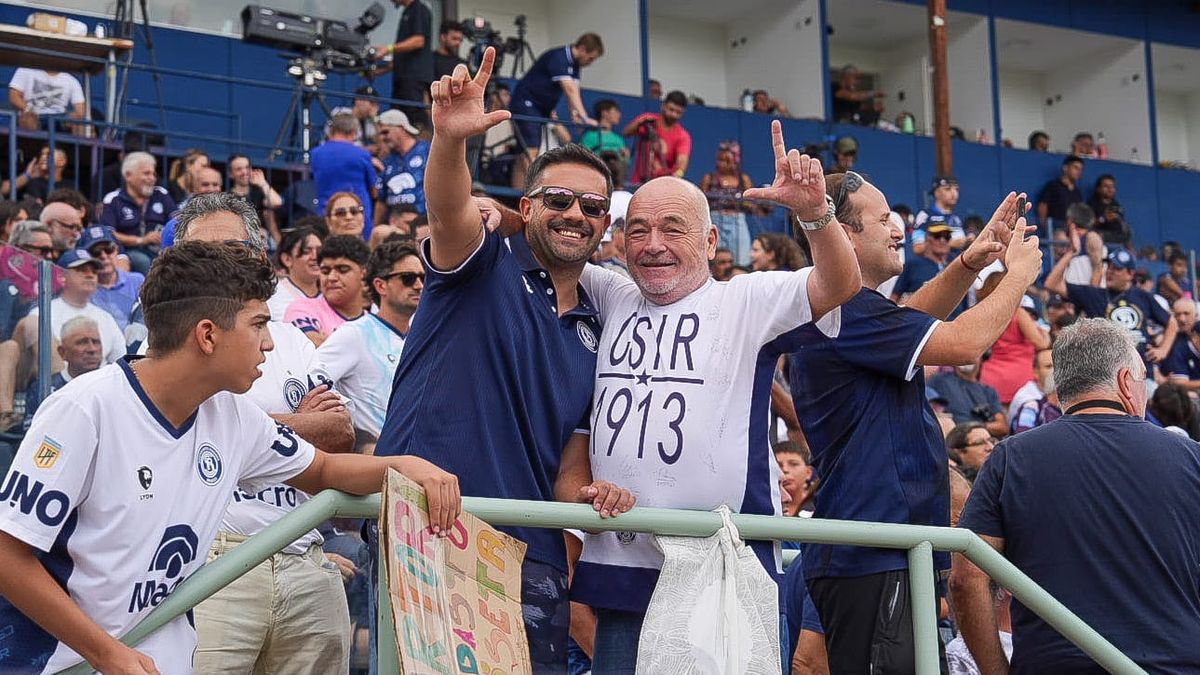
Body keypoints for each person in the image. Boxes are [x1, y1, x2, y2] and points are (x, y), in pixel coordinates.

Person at [0, 240, 460, 674]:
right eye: (258, 324)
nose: (269, 343)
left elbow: (321, 470)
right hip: (70, 663)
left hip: (158, 659)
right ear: (207, 335)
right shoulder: (86, 409)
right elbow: (7, 554)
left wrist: (403, 466)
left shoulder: (232, 415)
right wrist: (108, 654)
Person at [565, 119, 862, 673]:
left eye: (673, 229)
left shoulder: (746, 300)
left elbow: (839, 284)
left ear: (709, 240)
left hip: (722, 565)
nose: (653, 245)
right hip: (624, 564)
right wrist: (503, 214)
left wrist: (816, 215)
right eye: (638, 230)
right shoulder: (610, 291)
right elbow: (548, 241)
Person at [375, 49, 634, 674]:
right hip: (434, 531)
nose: (575, 214)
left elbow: (569, 460)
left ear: (604, 225)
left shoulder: (601, 324)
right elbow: (447, 208)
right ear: (529, 204)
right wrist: (448, 141)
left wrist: (592, 493)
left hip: (533, 551)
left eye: (592, 208)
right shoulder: (482, 260)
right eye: (558, 200)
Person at [786, 171, 1043, 673]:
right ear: (842, 234)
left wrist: (969, 262)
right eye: (882, 219)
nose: (898, 229)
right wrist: (1016, 277)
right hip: (875, 555)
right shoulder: (842, 309)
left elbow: (915, 317)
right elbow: (963, 343)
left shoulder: (852, 311)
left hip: (886, 553)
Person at [165, 193, 356, 675]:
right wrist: (298, 425)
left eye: (231, 247)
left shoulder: (290, 340)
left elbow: (339, 432)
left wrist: (241, 427)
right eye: (200, 251)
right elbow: (178, 431)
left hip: (304, 553)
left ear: (257, 254)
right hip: (211, 559)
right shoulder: (158, 337)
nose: (216, 263)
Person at [951, 317, 1200, 673]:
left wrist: (995, 671)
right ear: (1126, 382)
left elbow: (965, 579)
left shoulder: (1010, 458)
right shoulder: (1191, 458)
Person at [317, 239, 422, 452]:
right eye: (408, 278)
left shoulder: (421, 338)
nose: (419, 285)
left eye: (423, 277)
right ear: (380, 285)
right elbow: (308, 383)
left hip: (419, 458)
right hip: (378, 465)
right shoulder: (355, 334)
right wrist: (355, 435)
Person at [1045, 244, 1176, 371]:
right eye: (1109, 267)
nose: (1110, 271)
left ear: (1130, 274)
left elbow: (1172, 322)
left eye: (1117, 268)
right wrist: (1070, 253)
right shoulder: (1093, 295)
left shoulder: (1143, 296)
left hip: (1141, 373)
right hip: (1105, 375)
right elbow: (1051, 284)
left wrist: (1163, 350)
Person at [509, 34, 604, 156]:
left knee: (523, 154)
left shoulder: (575, 66)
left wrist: (575, 115)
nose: (590, 63)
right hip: (527, 103)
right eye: (590, 58)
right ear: (582, 49)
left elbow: (574, 92)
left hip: (543, 108)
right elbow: (569, 89)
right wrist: (585, 117)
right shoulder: (559, 57)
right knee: (531, 151)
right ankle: (531, 175)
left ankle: (520, 175)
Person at [99, 151, 178, 275]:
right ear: (128, 176)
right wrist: (141, 240)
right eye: (146, 173)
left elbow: (177, 221)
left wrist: (165, 234)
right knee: (143, 261)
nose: (152, 178)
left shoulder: (161, 194)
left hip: (161, 249)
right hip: (129, 251)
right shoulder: (114, 199)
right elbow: (107, 232)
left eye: (153, 174)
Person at [285, 235, 370, 346]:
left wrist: (330, 343)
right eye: (325, 271)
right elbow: (310, 346)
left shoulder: (375, 324)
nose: (331, 277)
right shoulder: (302, 308)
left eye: (342, 270)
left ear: (364, 275)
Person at [22, 315, 104, 419]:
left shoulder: (115, 386)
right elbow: (32, 431)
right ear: (62, 352)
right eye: (82, 342)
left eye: (96, 342)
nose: (92, 349)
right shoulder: (43, 389)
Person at [312, 114, 377, 230]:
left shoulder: (315, 154)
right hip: (356, 214)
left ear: (331, 130)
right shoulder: (361, 154)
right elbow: (374, 191)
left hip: (327, 213)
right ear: (354, 131)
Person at [377, 0, 433, 128]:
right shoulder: (406, 12)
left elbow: (418, 41)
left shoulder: (419, 9)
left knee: (415, 120)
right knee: (397, 120)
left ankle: (423, 147)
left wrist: (389, 49)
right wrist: (379, 71)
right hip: (402, 79)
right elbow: (403, 57)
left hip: (414, 80)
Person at [699, 141, 755, 265]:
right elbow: (701, 201)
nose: (721, 164)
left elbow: (751, 203)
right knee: (714, 256)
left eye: (726, 160)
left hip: (737, 221)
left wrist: (741, 201)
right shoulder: (709, 178)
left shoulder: (743, 179)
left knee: (741, 258)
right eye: (719, 160)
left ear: (735, 161)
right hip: (715, 220)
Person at [80, 225, 143, 333]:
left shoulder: (137, 281)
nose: (104, 256)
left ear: (116, 251)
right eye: (96, 252)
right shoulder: (83, 289)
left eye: (108, 249)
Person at [625, 91, 692, 185]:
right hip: (639, 182)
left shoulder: (683, 136)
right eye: (671, 109)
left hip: (663, 186)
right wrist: (640, 123)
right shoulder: (648, 121)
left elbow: (682, 163)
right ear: (663, 106)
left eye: (678, 112)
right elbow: (626, 133)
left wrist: (676, 177)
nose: (673, 114)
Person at [375, 109, 430, 220]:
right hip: (395, 226)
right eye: (380, 134)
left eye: (385, 132)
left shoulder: (427, 151)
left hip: (424, 221)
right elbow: (381, 200)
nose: (382, 138)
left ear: (401, 128)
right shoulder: (387, 161)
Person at [7, 68, 86, 135]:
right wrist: (28, 109)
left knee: (78, 121)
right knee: (27, 117)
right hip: (35, 114)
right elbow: (14, 97)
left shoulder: (71, 80)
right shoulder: (25, 70)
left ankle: (79, 150)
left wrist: (74, 116)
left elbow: (81, 110)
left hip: (60, 119)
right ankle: (30, 148)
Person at [268, 227, 322, 321]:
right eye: (306, 252)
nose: (315, 257)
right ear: (287, 259)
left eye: (319, 251)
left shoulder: (334, 290)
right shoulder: (274, 295)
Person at [228, 154, 283, 244]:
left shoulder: (258, 192)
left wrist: (263, 183)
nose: (244, 172)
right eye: (239, 169)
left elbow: (277, 202)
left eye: (247, 167)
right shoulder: (227, 197)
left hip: (264, 243)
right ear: (230, 174)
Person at [912, 175, 967, 254]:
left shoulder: (956, 218)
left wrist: (968, 241)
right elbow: (917, 248)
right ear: (936, 192)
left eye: (956, 189)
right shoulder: (925, 215)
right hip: (933, 265)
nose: (953, 193)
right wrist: (950, 243)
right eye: (947, 189)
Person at [0, 146, 69, 203]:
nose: (43, 157)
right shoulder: (34, 183)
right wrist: (28, 176)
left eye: (48, 154)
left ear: (62, 162)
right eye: (41, 154)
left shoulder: (71, 185)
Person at [1060, 202, 1103, 287]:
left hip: (1084, 293)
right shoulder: (1067, 237)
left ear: (1070, 220)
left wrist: (1091, 295)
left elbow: (1097, 269)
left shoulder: (1092, 238)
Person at [1036, 155, 1084, 227]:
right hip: (1057, 229)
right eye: (1076, 168)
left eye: (1081, 169)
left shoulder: (1077, 193)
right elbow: (1043, 206)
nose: (1079, 172)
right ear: (1065, 168)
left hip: (1074, 230)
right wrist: (1045, 226)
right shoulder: (1053, 186)